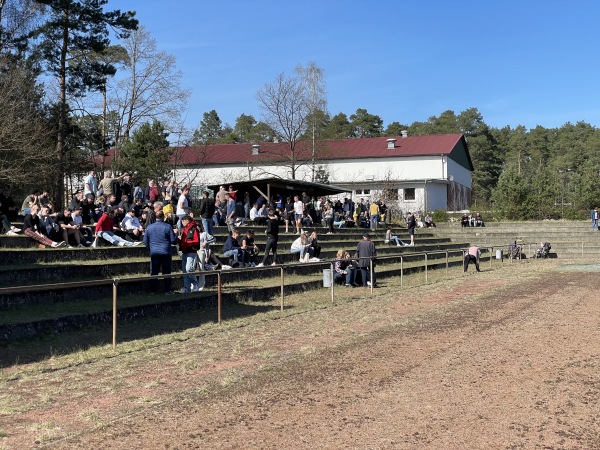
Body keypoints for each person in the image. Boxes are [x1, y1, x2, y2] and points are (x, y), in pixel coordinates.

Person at [143, 211, 178, 294]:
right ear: (163, 217)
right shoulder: (167, 226)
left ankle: (153, 290)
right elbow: (173, 240)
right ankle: (167, 290)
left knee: (154, 272)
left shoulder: (149, 227)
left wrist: (150, 248)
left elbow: (145, 241)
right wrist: (176, 235)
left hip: (154, 252)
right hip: (166, 252)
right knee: (167, 272)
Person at [177, 215, 202, 293]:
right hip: (184, 251)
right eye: (182, 221)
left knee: (189, 268)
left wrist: (186, 243)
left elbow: (196, 241)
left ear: (188, 220)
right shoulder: (184, 229)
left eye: (183, 220)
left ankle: (195, 284)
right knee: (184, 271)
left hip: (191, 251)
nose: (182, 222)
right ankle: (186, 288)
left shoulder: (194, 229)